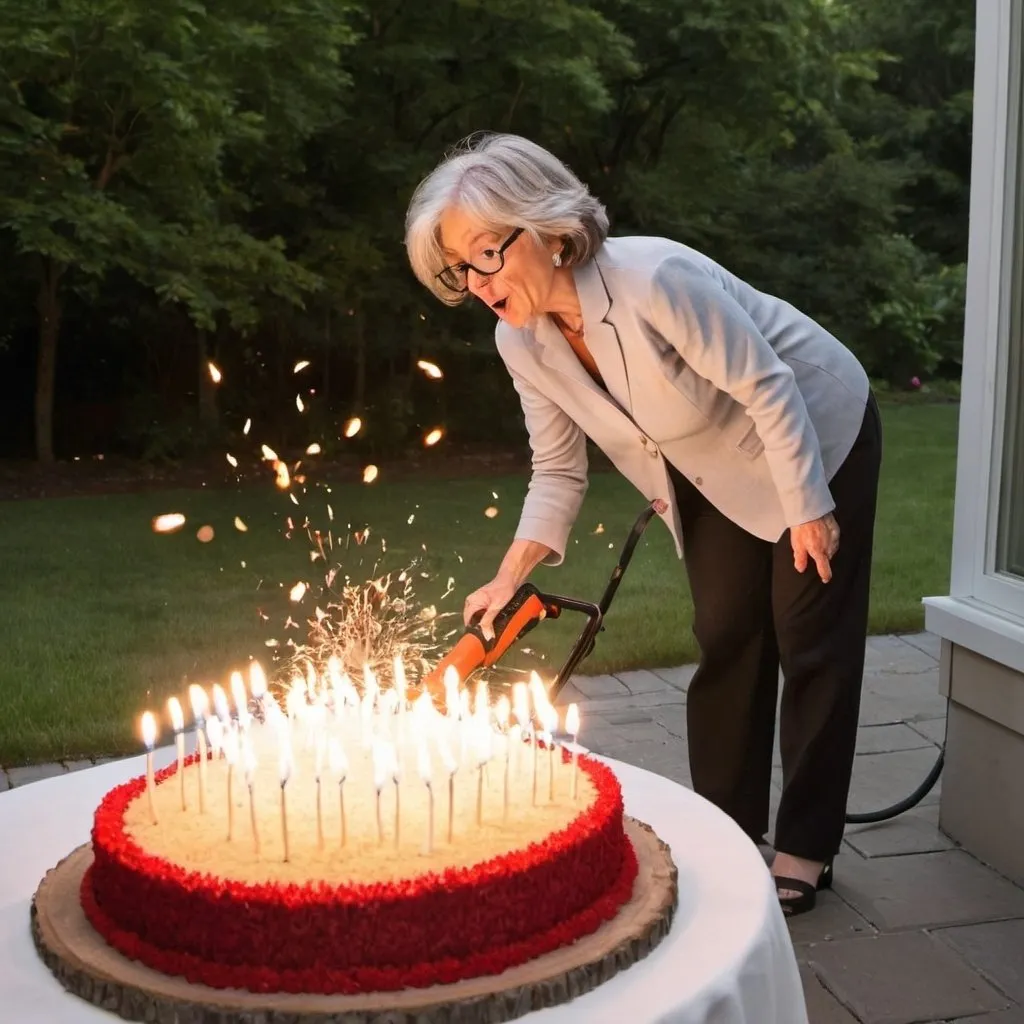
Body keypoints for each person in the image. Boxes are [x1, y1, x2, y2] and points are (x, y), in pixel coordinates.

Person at [404, 132, 882, 917]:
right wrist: (508, 576)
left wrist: (808, 508)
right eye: (461, 267)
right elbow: (558, 469)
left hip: (813, 429)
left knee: (809, 637)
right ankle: (726, 831)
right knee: (728, 633)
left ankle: (807, 846)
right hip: (710, 461)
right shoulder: (519, 340)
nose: (477, 280)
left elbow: (769, 386)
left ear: (551, 229)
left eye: (487, 252)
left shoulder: (655, 278)